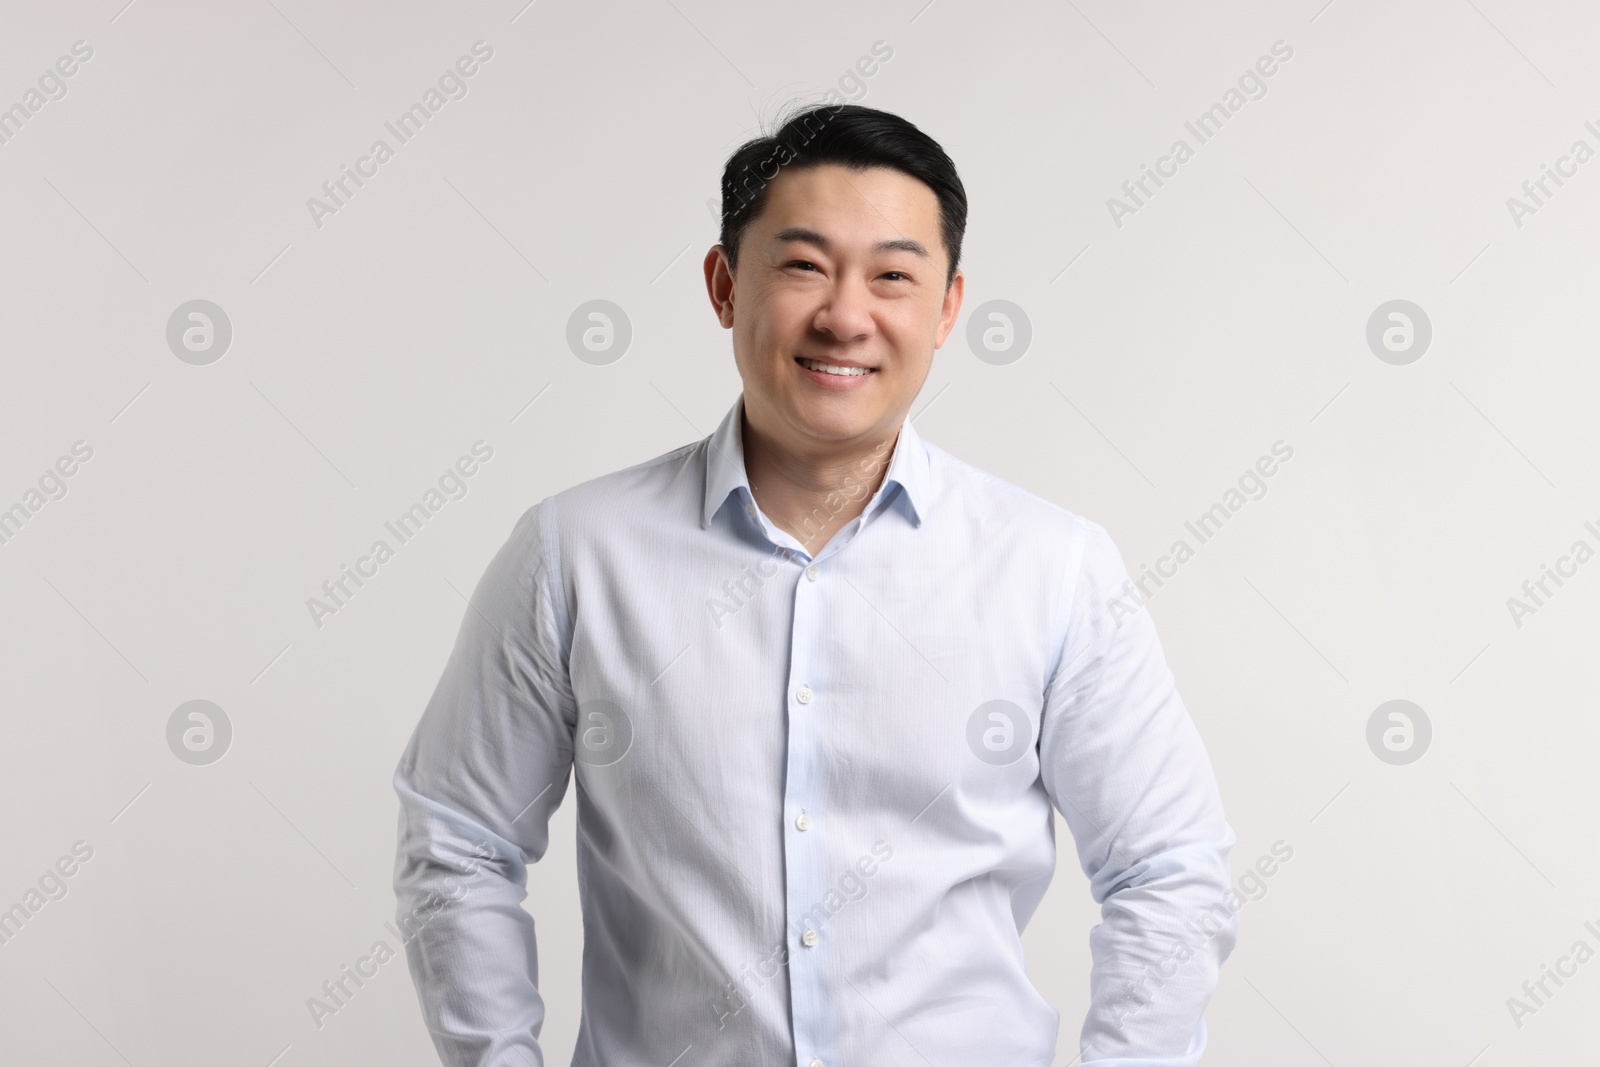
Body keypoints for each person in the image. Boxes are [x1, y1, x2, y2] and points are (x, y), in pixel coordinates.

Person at [392, 102, 1237, 1067]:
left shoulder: (1053, 569)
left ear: (948, 307)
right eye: (802, 265)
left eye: (892, 275)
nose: (846, 315)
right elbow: (457, 842)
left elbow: (1169, 868)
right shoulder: (575, 553)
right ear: (723, 284)